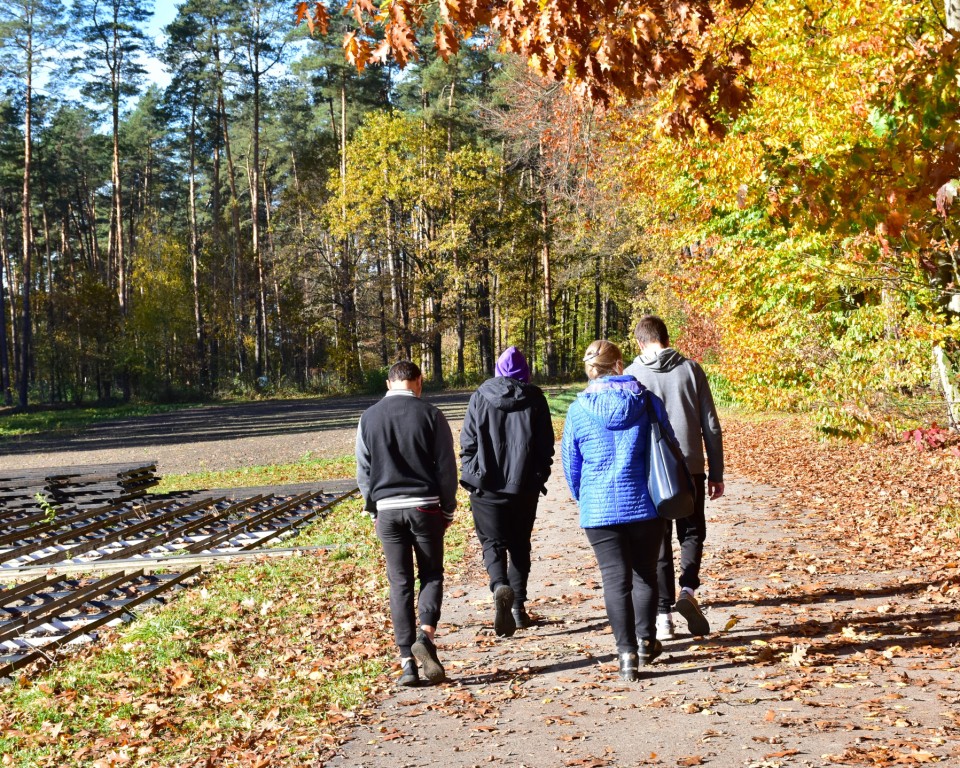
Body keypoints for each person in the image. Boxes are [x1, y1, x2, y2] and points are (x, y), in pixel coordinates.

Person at [561, 339, 682, 681]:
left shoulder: (578, 409)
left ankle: (626, 654)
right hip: (645, 504)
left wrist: (584, 499)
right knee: (645, 572)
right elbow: (668, 444)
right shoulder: (646, 401)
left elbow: (571, 464)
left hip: (599, 510)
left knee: (615, 580)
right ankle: (646, 642)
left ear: (590, 371)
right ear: (619, 365)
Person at [356, 361, 458, 686]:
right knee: (431, 573)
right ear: (418, 382)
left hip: (387, 510)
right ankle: (425, 636)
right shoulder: (431, 415)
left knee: (399, 583)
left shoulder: (368, 417)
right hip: (424, 506)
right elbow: (446, 467)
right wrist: (449, 508)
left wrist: (373, 508)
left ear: (389, 383)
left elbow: (363, 470)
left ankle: (406, 664)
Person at [624, 315, 724, 639]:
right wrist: (716, 471)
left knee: (659, 540)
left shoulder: (631, 374)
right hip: (690, 465)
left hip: (650, 472)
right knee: (693, 531)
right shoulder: (691, 370)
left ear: (640, 343)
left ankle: (664, 616)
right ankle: (688, 591)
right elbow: (710, 424)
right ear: (666, 339)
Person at [460, 346, 555, 637]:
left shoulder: (479, 396)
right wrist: (538, 474)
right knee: (520, 544)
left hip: (486, 486)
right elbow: (545, 445)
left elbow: (468, 442)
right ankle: (518, 608)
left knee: (493, 543)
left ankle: (499, 584)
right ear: (524, 371)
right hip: (523, 486)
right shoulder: (535, 399)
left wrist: (472, 473)